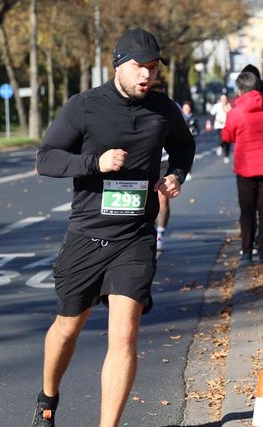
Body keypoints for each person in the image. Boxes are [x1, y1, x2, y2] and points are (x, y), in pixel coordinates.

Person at [33, 28, 196, 427]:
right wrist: (94, 163)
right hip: (87, 235)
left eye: (153, 68)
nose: (147, 75)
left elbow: (184, 147)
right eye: (140, 67)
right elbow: (46, 159)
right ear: (119, 64)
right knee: (68, 327)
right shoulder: (84, 106)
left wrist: (175, 174)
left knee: (124, 335)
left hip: (135, 238)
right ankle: (47, 399)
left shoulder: (163, 109)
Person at [222, 71, 263, 264]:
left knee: (247, 210)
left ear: (240, 89)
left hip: (245, 166)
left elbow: (227, 137)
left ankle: (247, 251)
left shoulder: (236, 112)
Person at [210, 94, 232, 163]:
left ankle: (226, 156)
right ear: (220, 99)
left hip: (228, 126)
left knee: (228, 141)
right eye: (222, 99)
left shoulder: (229, 106)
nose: (224, 101)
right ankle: (220, 146)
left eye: (225, 99)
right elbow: (212, 113)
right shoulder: (217, 106)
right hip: (219, 125)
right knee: (221, 138)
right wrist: (215, 118)